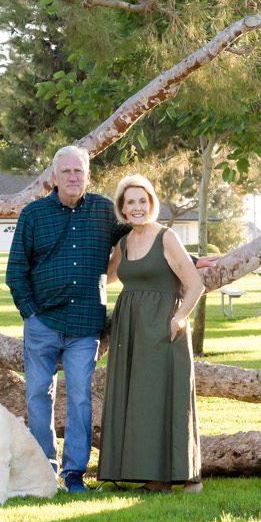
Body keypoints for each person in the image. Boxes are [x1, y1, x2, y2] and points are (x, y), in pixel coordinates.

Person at [5, 145, 128, 494]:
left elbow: (146, 235)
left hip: (85, 324)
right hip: (42, 321)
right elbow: (16, 272)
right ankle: (44, 469)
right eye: (67, 172)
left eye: (80, 171)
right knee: (37, 397)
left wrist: (191, 260)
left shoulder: (106, 211)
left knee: (79, 398)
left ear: (88, 175)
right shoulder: (33, 215)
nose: (73, 177)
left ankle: (74, 473)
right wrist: (30, 312)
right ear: (53, 178)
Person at [97, 175, 207, 492]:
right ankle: (154, 478)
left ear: (152, 204)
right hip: (130, 328)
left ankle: (185, 475)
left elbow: (195, 284)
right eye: (130, 202)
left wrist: (179, 319)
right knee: (141, 401)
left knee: (166, 399)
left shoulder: (167, 237)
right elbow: (109, 276)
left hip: (163, 327)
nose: (137, 207)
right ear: (122, 208)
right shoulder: (123, 243)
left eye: (142, 201)